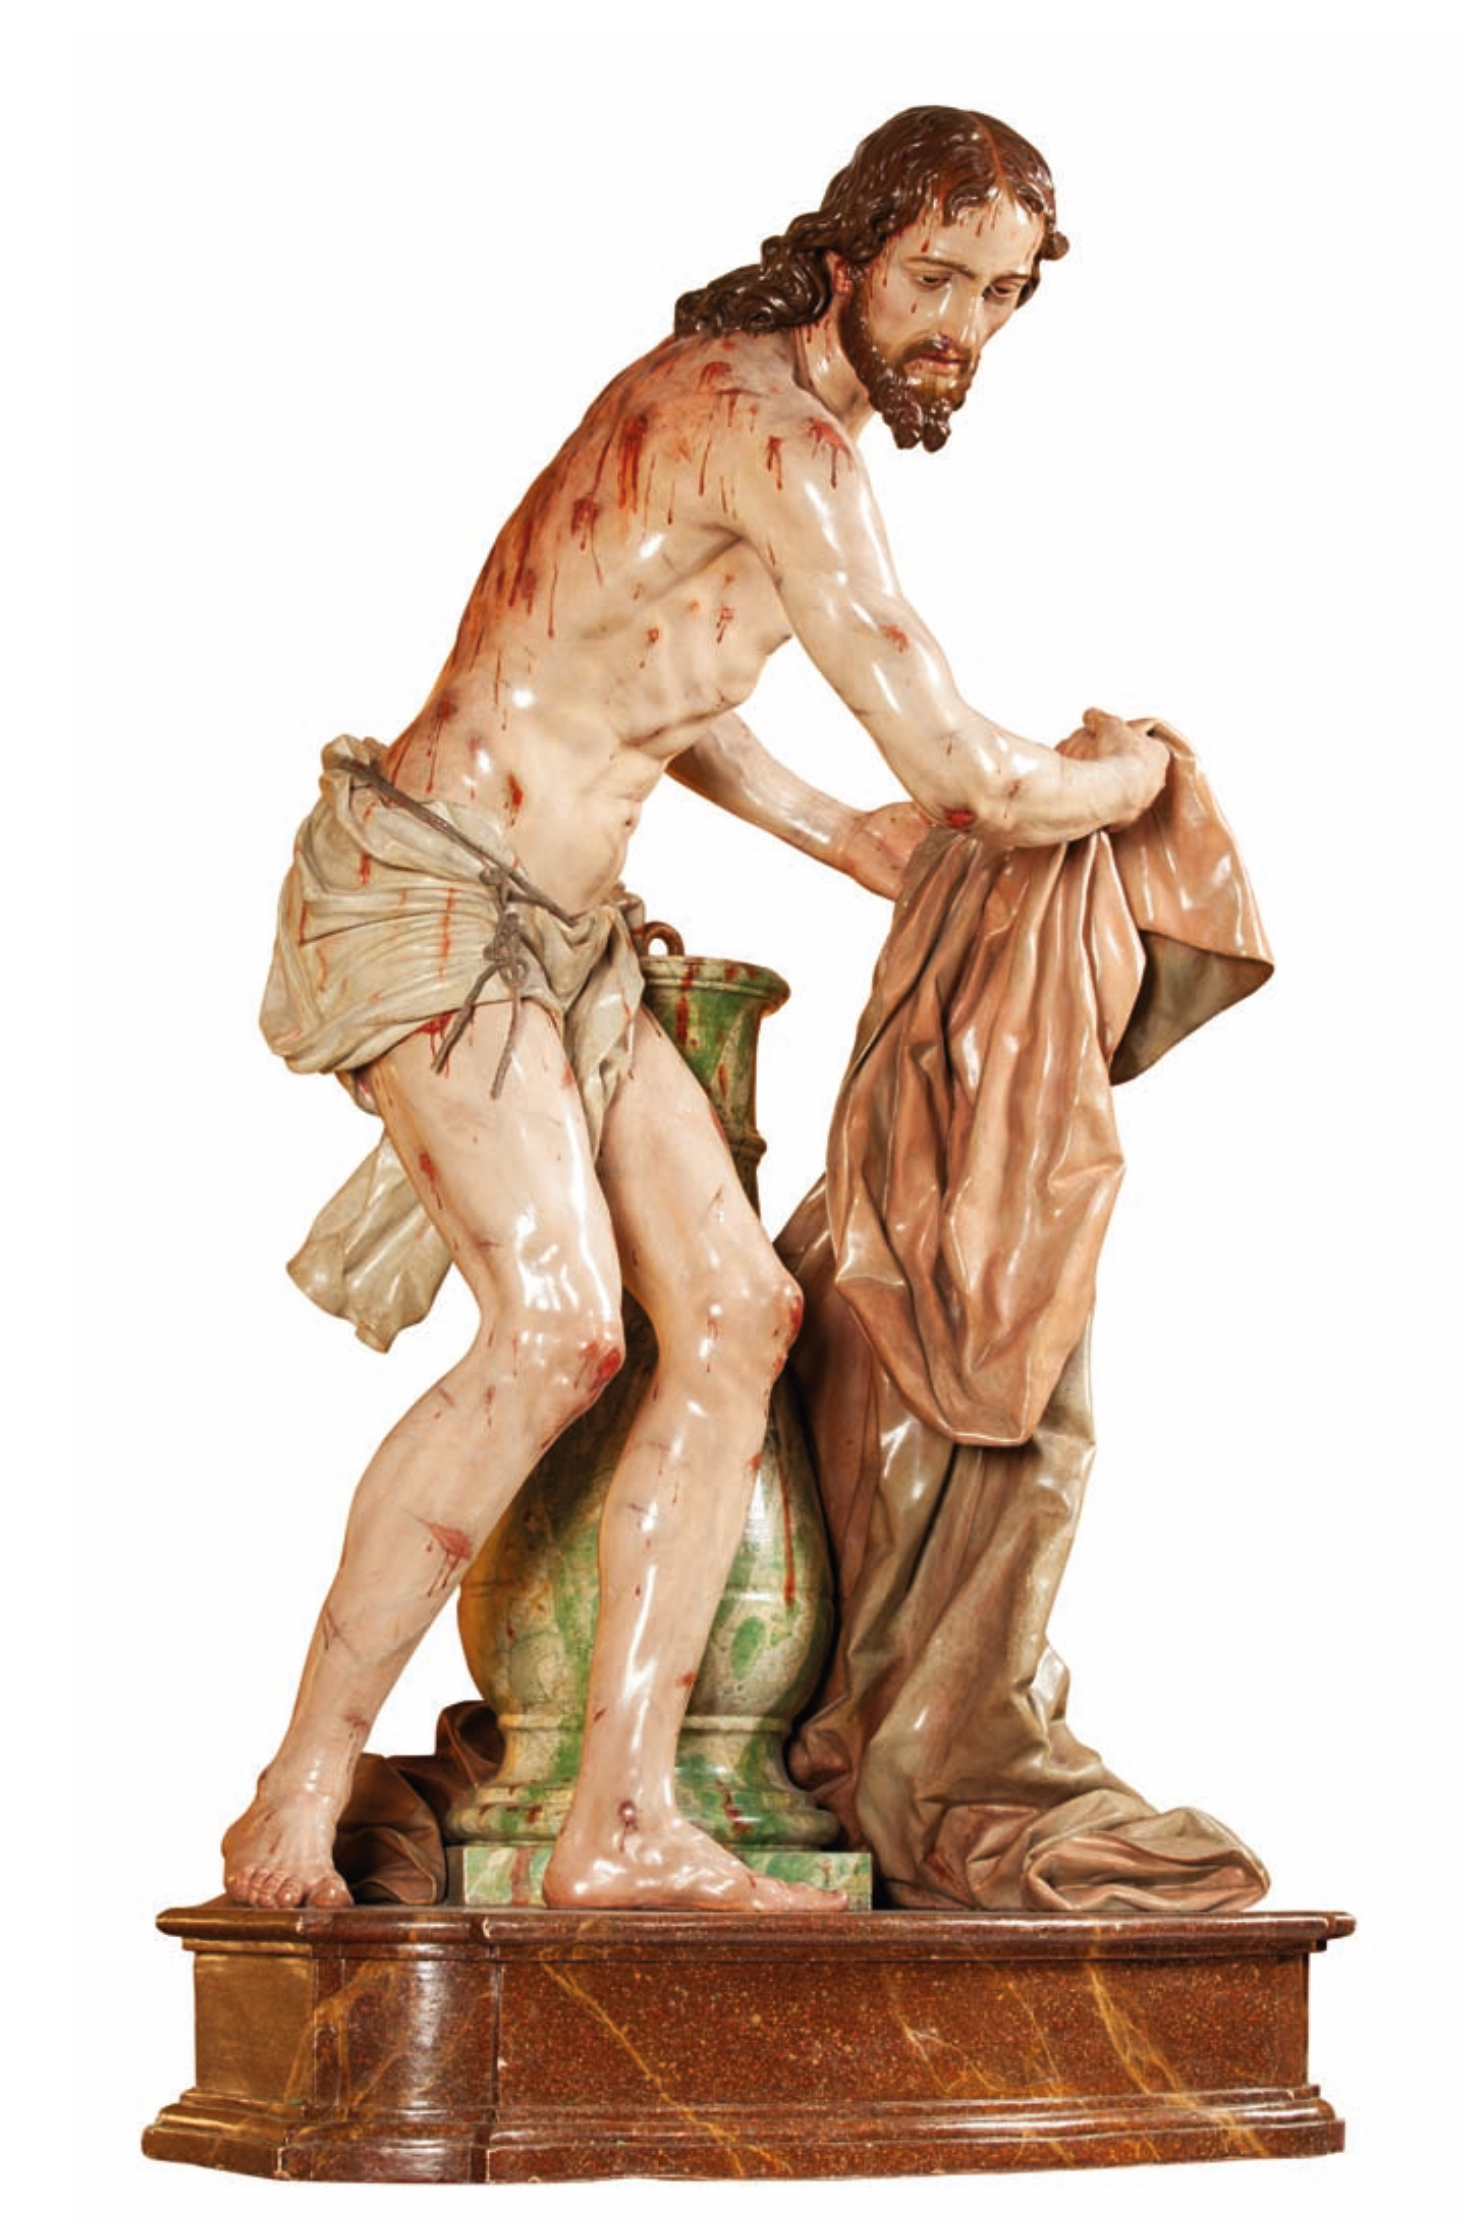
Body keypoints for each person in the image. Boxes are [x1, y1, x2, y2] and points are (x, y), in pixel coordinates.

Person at [223, 104, 1169, 1914]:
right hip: (436, 895)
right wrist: (1136, 778)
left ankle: (623, 1819)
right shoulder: (779, 442)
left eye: (1001, 295)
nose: (964, 326)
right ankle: (297, 1785)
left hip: (567, 935)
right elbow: (973, 771)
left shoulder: (753, 410)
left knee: (738, 1315)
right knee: (557, 1331)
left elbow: (647, 678)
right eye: (937, 278)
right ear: (847, 259)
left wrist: (835, 837)